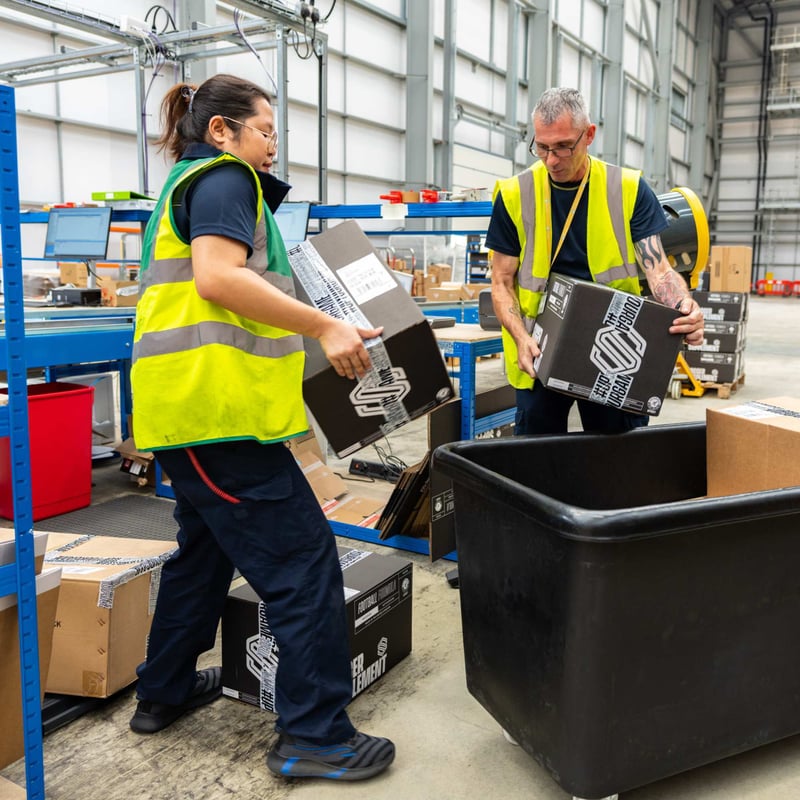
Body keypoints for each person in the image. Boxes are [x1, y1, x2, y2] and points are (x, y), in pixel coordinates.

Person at [127, 73, 395, 782]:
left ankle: (164, 689)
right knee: (304, 567)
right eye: (266, 129)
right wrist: (326, 325)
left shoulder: (193, 184)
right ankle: (315, 735)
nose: (273, 144)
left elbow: (235, 299)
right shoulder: (225, 181)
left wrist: (323, 326)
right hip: (219, 421)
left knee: (205, 555)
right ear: (223, 131)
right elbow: (217, 279)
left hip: (195, 417)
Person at [486, 87, 705, 435]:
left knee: (616, 461)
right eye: (542, 147)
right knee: (538, 463)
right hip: (538, 348)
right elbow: (501, 281)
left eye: (563, 146)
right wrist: (520, 337)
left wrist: (683, 305)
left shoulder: (628, 189)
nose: (551, 160)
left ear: (589, 135)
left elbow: (659, 269)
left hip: (612, 343)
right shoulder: (515, 194)